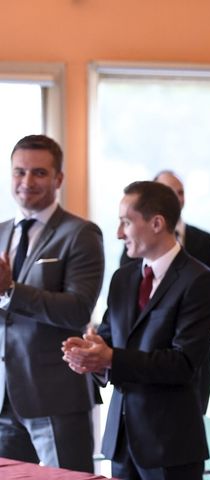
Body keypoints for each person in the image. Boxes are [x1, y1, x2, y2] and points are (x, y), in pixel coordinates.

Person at [62, 181, 210, 480]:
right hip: (122, 443)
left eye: (126, 222)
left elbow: (183, 364)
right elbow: (109, 342)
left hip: (170, 445)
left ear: (157, 223)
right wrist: (90, 355)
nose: (118, 233)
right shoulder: (122, 278)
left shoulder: (201, 281)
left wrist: (110, 357)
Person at [0, 134, 104, 472]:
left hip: (53, 397)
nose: (27, 182)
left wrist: (11, 289)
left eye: (39, 173)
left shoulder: (80, 233)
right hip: (3, 398)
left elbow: (77, 309)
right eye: (19, 172)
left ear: (58, 178)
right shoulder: (1, 232)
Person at [121, 169, 210, 415]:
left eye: (180, 192)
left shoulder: (202, 246)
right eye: (168, 192)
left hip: (184, 380)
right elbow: (119, 328)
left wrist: (110, 358)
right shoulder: (125, 273)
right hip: (127, 405)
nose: (176, 198)